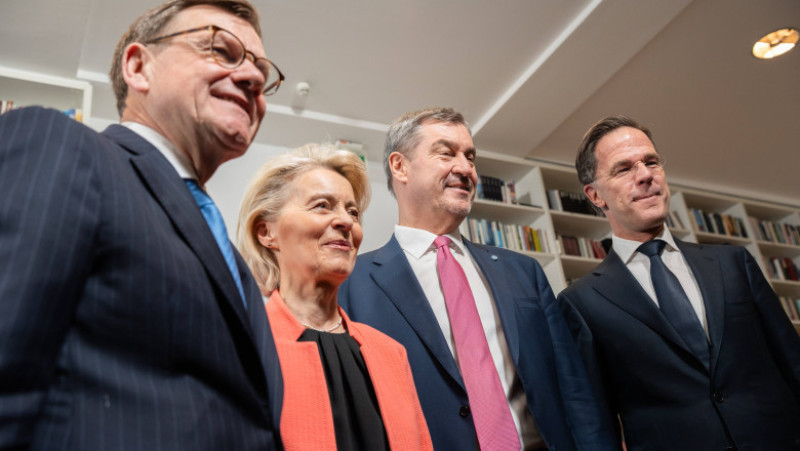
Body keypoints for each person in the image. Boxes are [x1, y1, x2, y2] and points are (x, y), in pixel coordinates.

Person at [0, 1, 285, 448]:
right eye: (221, 50)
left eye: (261, 72)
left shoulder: (235, 261)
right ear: (138, 66)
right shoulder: (61, 146)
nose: (252, 79)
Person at [338, 107, 616, 451]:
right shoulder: (351, 283)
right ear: (400, 166)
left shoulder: (523, 271)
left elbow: (573, 386)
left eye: (470, 157)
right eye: (446, 153)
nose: (465, 168)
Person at [557, 115, 800, 450]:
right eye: (624, 168)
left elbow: (792, 360)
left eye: (651, 162)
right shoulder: (582, 302)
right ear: (595, 195)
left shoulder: (733, 263)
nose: (645, 175)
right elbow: (593, 419)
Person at [237, 143, 433, 451]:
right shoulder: (239, 346)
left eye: (352, 211)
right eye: (322, 206)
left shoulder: (392, 354)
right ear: (266, 232)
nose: (347, 222)